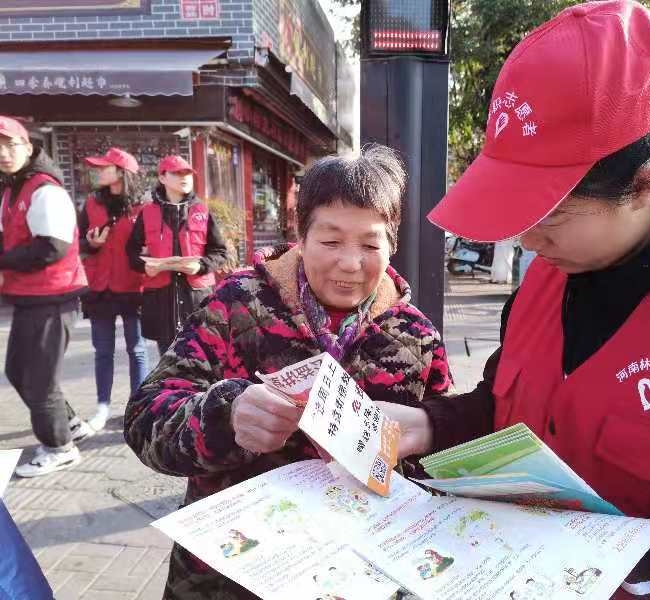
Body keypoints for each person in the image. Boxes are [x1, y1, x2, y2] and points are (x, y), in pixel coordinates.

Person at [378, 2, 650, 598]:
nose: (527, 241)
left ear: (643, 186)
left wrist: (564, 579)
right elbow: (503, 411)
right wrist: (426, 425)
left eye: (549, 217)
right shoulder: (545, 280)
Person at [124, 144, 453, 599]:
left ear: (392, 243)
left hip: (358, 574)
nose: (350, 263)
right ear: (301, 235)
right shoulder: (236, 306)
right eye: (331, 241)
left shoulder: (416, 335)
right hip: (228, 575)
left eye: (370, 244)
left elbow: (439, 459)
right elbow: (145, 419)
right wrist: (225, 417)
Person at [0, 116, 93, 478]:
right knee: (18, 371)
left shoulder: (44, 189)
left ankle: (60, 448)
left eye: (10, 144)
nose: (4, 153)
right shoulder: (13, 189)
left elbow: (53, 247)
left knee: (39, 380)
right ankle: (69, 425)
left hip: (53, 297)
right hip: (30, 297)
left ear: (28, 146)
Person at [125, 155, 228, 355]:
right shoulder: (147, 213)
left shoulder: (202, 211)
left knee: (200, 360)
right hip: (162, 301)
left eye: (187, 173)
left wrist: (200, 266)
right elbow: (131, 251)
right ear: (162, 178)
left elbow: (220, 252)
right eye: (177, 173)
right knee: (168, 359)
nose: (184, 177)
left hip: (197, 299)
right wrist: (144, 266)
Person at [79, 147, 148, 432]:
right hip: (99, 288)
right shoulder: (91, 204)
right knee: (103, 351)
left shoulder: (144, 207)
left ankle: (138, 408)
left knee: (137, 349)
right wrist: (91, 244)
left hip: (133, 286)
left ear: (122, 172)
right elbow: (77, 243)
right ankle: (102, 408)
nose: (98, 172)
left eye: (103, 167)